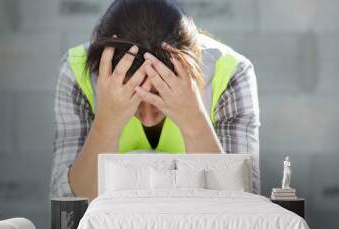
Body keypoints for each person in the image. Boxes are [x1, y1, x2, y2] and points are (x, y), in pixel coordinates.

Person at [51, 0, 260, 201]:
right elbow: (67, 205)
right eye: (134, 96)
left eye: (159, 94)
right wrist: (106, 125)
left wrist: (193, 121)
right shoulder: (77, 71)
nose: (148, 118)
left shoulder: (232, 73)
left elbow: (247, 202)